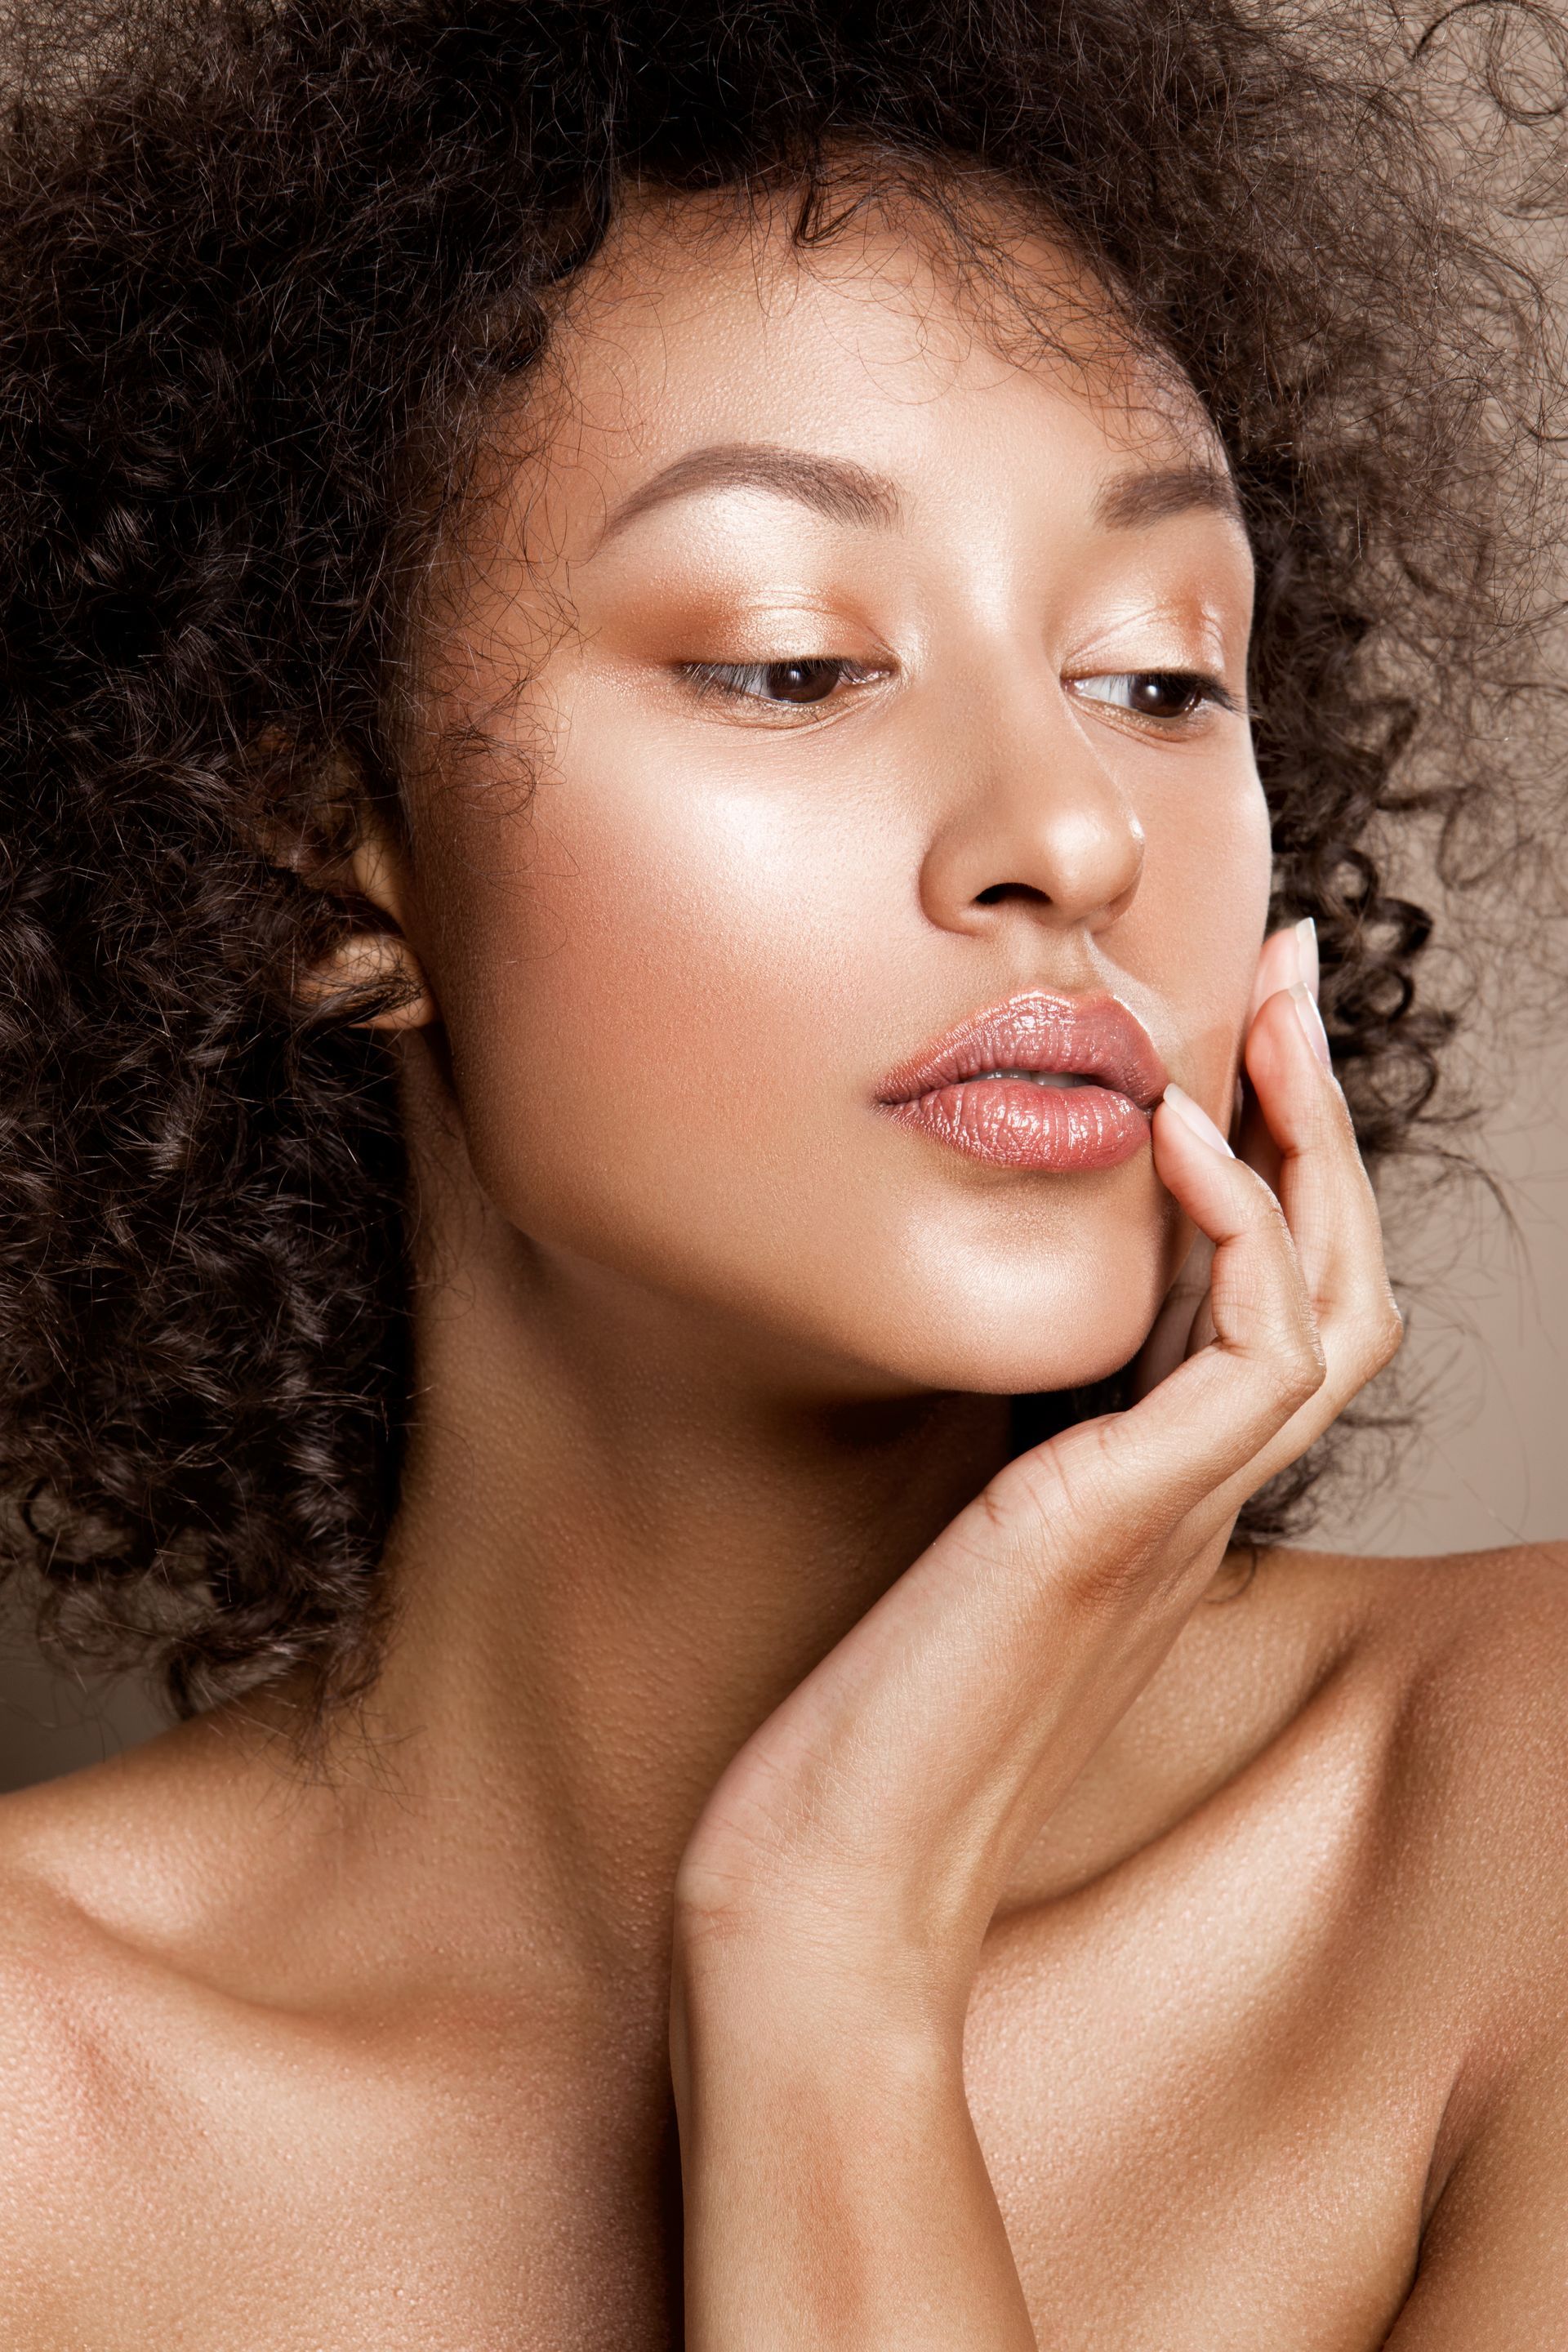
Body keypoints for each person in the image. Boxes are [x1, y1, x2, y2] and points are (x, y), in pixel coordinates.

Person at [0, 0, 1562, 2341]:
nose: (1070, 835)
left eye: (1160, 679)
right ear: (326, 858)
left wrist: (829, 1947)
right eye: (795, 663)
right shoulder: (38, 2103)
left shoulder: (1512, 1825)